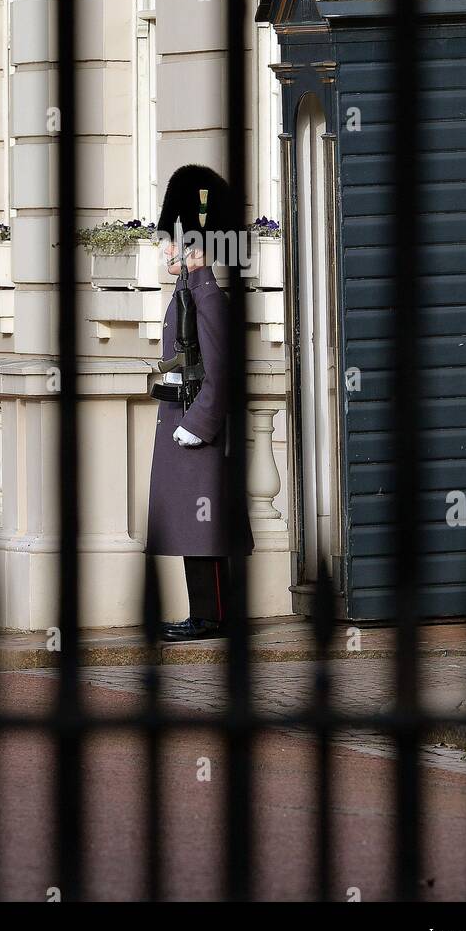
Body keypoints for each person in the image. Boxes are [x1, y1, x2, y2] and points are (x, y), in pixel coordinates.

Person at [146, 164, 253, 642]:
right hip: (180, 413)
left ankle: (212, 616)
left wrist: (200, 422)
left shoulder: (204, 293)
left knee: (203, 528)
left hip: (195, 422)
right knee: (192, 527)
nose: (165, 248)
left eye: (172, 239)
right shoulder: (188, 290)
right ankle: (204, 614)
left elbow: (222, 367)